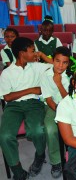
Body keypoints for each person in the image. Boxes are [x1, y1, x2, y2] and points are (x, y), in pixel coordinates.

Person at [0, 37, 53, 180]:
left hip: (33, 104)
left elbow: (57, 65)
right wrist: (31, 89)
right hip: (14, 106)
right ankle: (17, 170)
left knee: (36, 131)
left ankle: (40, 155)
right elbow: (7, 97)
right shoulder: (7, 72)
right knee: (5, 136)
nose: (35, 53)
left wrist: (41, 56)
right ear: (22, 53)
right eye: (32, 51)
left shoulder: (36, 66)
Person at [40, 46, 71, 178]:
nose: (60, 65)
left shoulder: (70, 75)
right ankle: (56, 161)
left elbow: (69, 99)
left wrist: (59, 84)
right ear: (52, 60)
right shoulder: (45, 76)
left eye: (64, 62)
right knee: (50, 129)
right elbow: (49, 100)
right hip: (53, 107)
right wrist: (59, 113)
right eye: (57, 61)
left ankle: (73, 156)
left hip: (69, 105)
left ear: (68, 63)